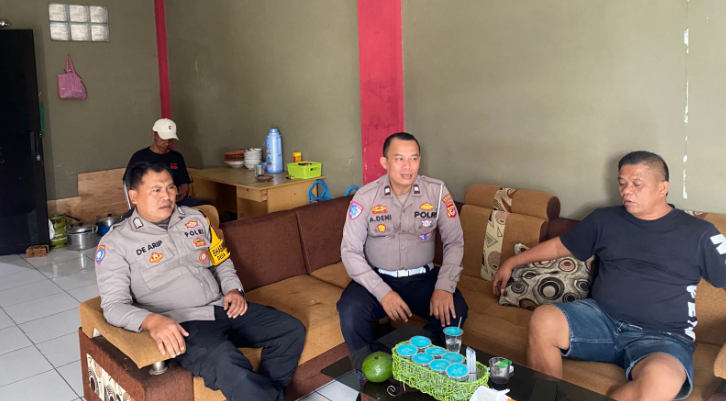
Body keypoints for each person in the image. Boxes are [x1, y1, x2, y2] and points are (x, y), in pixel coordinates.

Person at [492, 151, 726, 401]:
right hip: (600, 319)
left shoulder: (700, 233)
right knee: (544, 319)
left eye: (636, 184)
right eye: (622, 183)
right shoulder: (605, 219)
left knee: (661, 382)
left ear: (662, 188)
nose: (626, 191)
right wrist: (512, 261)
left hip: (662, 336)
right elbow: (561, 246)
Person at [96, 161, 305, 401]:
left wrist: (233, 289)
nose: (166, 196)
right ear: (134, 196)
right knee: (231, 366)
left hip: (222, 307)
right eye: (156, 190)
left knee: (290, 330)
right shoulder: (116, 243)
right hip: (183, 323)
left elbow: (221, 261)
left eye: (170, 187)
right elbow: (113, 306)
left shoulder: (196, 218)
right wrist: (152, 321)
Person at [338, 132, 469, 371]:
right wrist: (383, 293)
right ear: (385, 162)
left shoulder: (437, 191)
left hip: (423, 279)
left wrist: (444, 286)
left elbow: (454, 242)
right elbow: (350, 252)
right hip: (379, 278)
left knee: (456, 310)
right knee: (349, 311)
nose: (407, 166)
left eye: (413, 158)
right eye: (399, 159)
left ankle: (418, 369)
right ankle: (368, 374)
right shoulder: (366, 197)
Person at [123, 118, 208, 208]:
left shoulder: (177, 157)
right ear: (153, 134)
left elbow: (184, 184)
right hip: (150, 203)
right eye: (163, 138)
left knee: (207, 207)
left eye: (170, 139)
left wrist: (181, 195)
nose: (167, 143)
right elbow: (129, 184)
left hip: (175, 202)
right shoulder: (139, 157)